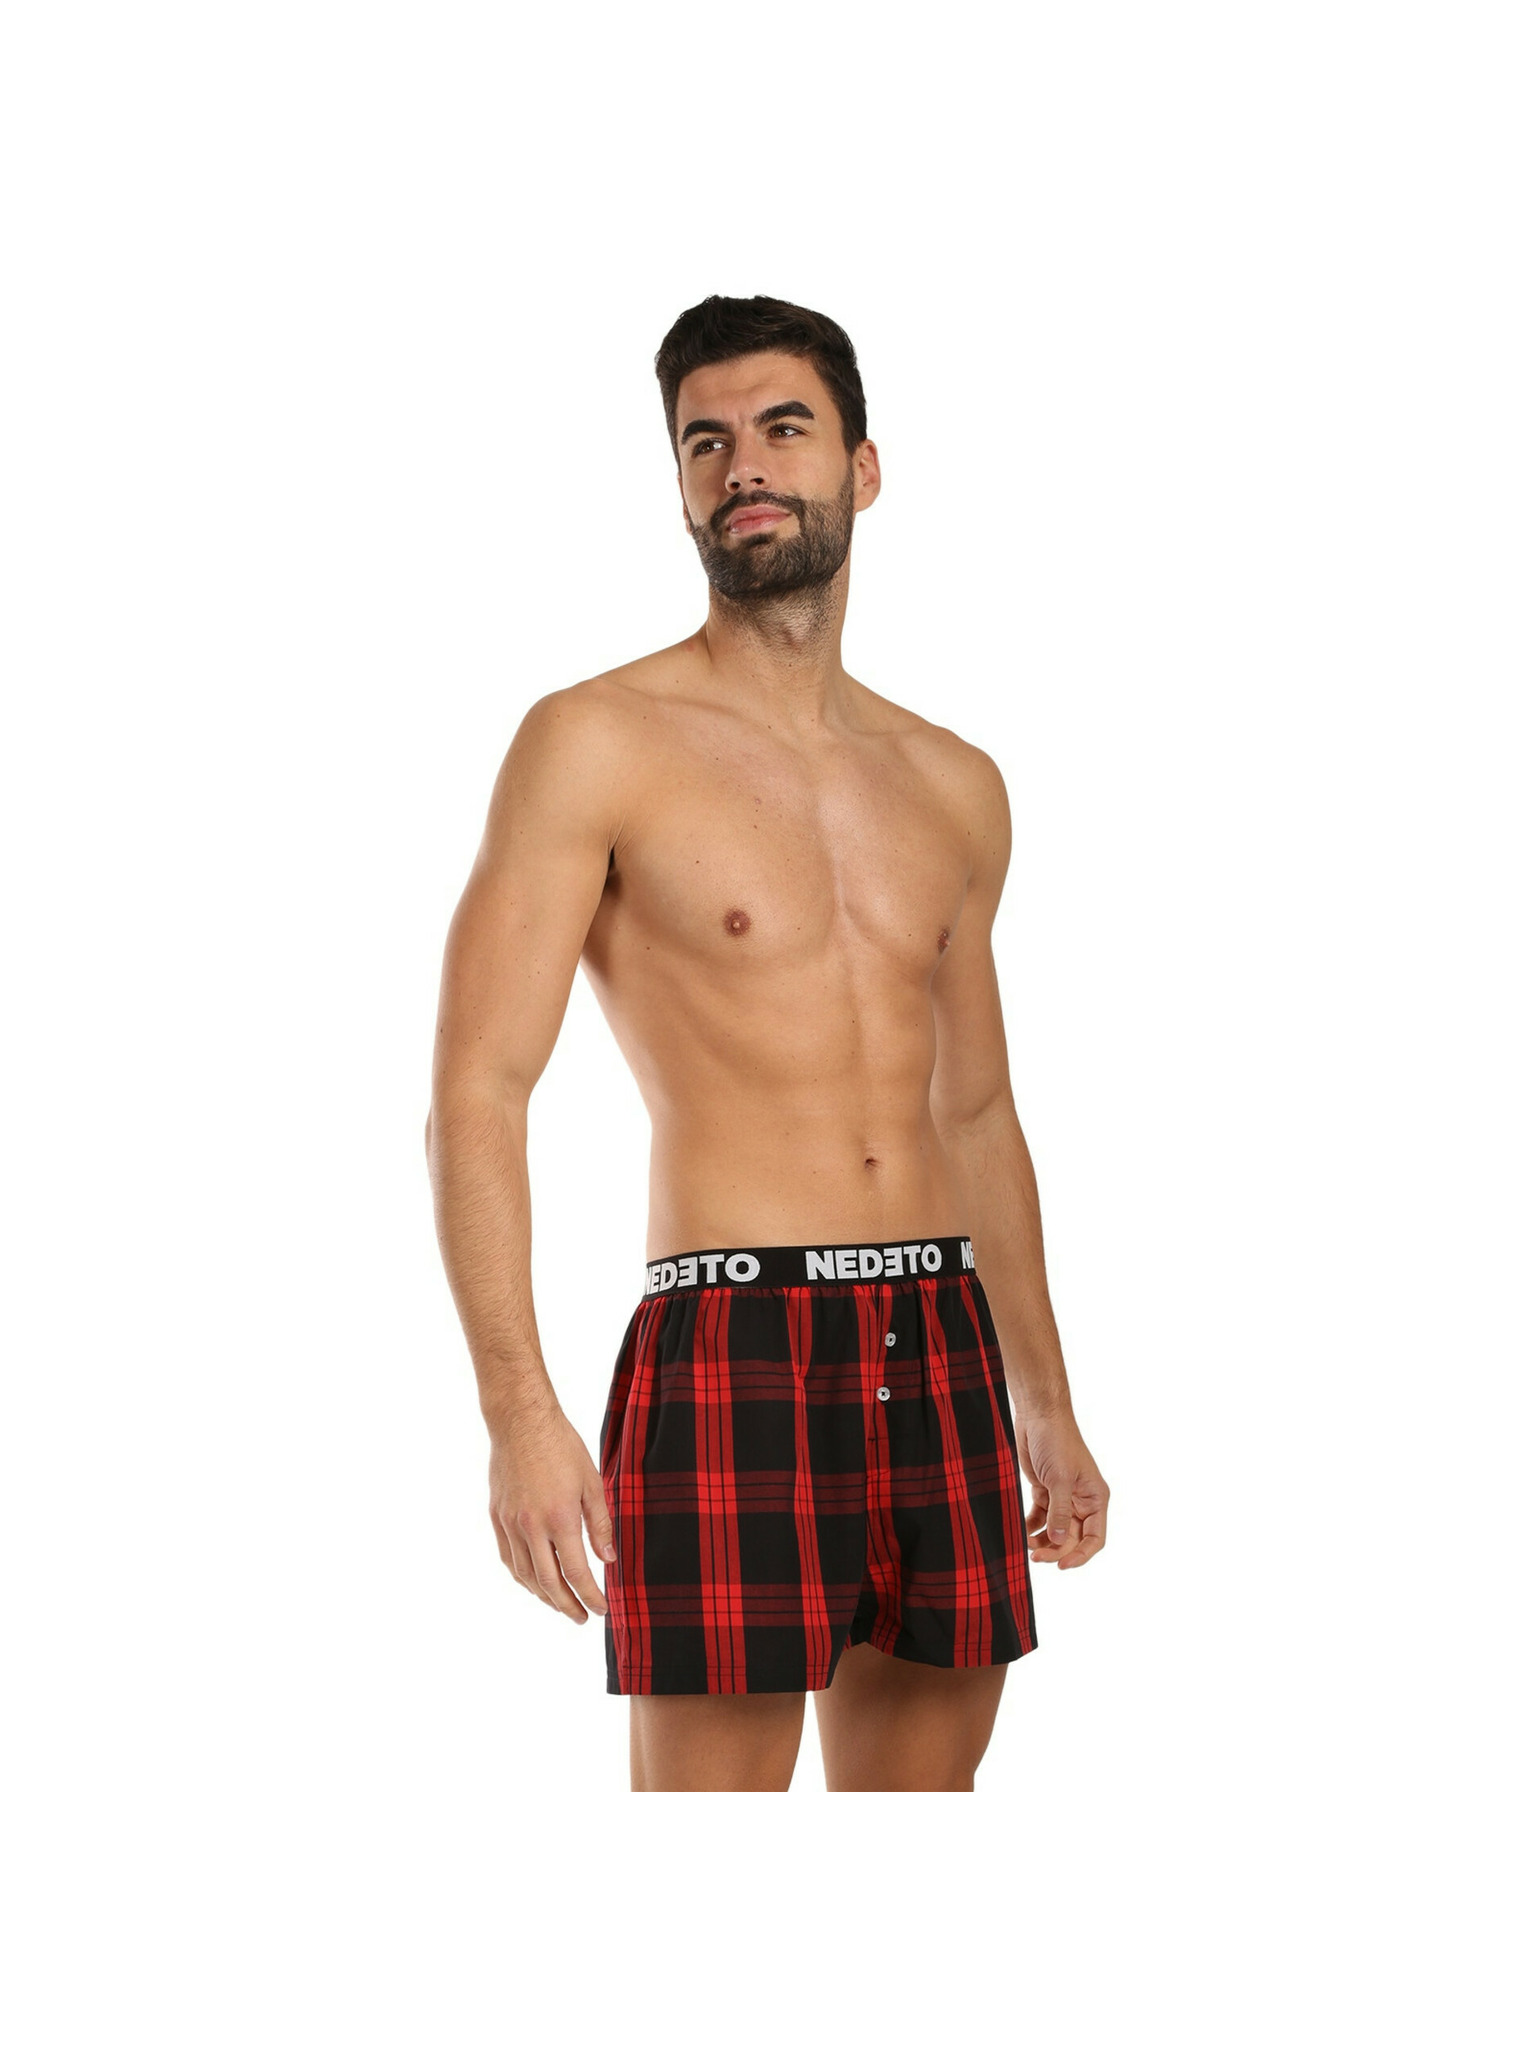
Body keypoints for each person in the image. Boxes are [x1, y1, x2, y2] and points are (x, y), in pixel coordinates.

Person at [425, 294, 1109, 1792]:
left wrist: (1047, 1404)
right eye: (706, 441)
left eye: (783, 429)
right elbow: (480, 1088)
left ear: (862, 467)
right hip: (731, 1337)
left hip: (939, 1333)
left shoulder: (954, 783)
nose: (743, 464)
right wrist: (518, 1414)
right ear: (680, 485)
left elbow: (977, 1113)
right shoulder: (594, 740)